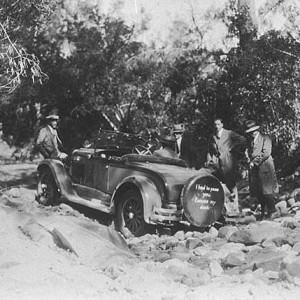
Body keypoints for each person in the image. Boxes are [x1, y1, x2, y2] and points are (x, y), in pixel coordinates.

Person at [206, 117, 247, 213]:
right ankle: (225, 209)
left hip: (228, 163)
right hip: (217, 166)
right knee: (220, 186)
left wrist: (232, 149)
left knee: (231, 185)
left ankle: (236, 208)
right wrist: (209, 160)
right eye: (215, 125)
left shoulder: (229, 133)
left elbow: (242, 139)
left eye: (218, 124)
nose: (217, 126)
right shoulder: (212, 136)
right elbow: (209, 150)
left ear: (222, 124)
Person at [245, 120, 278, 220]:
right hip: (256, 169)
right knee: (259, 191)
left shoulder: (265, 138)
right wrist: (248, 158)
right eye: (250, 132)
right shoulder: (251, 142)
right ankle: (263, 212)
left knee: (267, 190)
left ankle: (272, 211)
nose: (253, 133)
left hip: (265, 167)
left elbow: (266, 152)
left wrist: (254, 161)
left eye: (254, 130)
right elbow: (251, 154)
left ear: (257, 129)